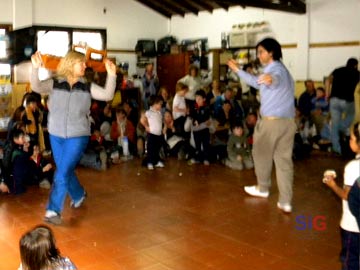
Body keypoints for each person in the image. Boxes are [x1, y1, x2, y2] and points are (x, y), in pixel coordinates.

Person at [30, 50, 117, 225]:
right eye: (81, 63)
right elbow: (37, 87)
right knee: (65, 169)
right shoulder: (55, 83)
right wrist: (34, 69)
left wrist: (112, 75)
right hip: (56, 134)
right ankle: (78, 194)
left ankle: (53, 210)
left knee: (61, 172)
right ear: (71, 63)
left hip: (78, 135)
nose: (85, 66)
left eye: (85, 63)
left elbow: (107, 95)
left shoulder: (87, 86)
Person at [227, 37, 297, 213]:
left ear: (271, 52)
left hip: (271, 123)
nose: (258, 55)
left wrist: (270, 79)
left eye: (261, 52)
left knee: (260, 154)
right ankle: (285, 201)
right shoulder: (284, 70)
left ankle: (263, 188)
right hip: (288, 123)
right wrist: (238, 70)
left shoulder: (276, 71)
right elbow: (255, 82)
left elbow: (274, 79)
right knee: (283, 162)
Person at [323, 122, 360, 270]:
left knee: (350, 259)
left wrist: (332, 185)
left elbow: (347, 195)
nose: (349, 141)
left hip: (352, 224)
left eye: (351, 139)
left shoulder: (353, 167)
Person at [325, 58, 360, 155]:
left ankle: (337, 149)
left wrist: (327, 95)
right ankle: (342, 126)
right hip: (347, 101)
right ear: (356, 65)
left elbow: (327, 81)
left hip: (334, 100)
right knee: (351, 115)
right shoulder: (357, 73)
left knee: (335, 125)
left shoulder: (338, 70)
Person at [140, 95, 164, 170]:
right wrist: (146, 127)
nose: (161, 106)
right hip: (151, 134)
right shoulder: (149, 112)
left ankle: (156, 161)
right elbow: (142, 120)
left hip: (158, 135)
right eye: (160, 104)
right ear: (154, 103)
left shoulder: (159, 113)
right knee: (151, 149)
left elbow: (160, 122)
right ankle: (149, 162)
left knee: (156, 149)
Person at [189, 89, 211, 166]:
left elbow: (206, 117)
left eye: (199, 98)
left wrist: (199, 121)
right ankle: (198, 158)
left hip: (205, 130)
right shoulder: (194, 106)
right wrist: (195, 120)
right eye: (196, 98)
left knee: (205, 144)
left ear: (204, 99)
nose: (197, 100)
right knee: (197, 145)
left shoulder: (206, 107)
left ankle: (206, 158)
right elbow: (192, 115)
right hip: (196, 131)